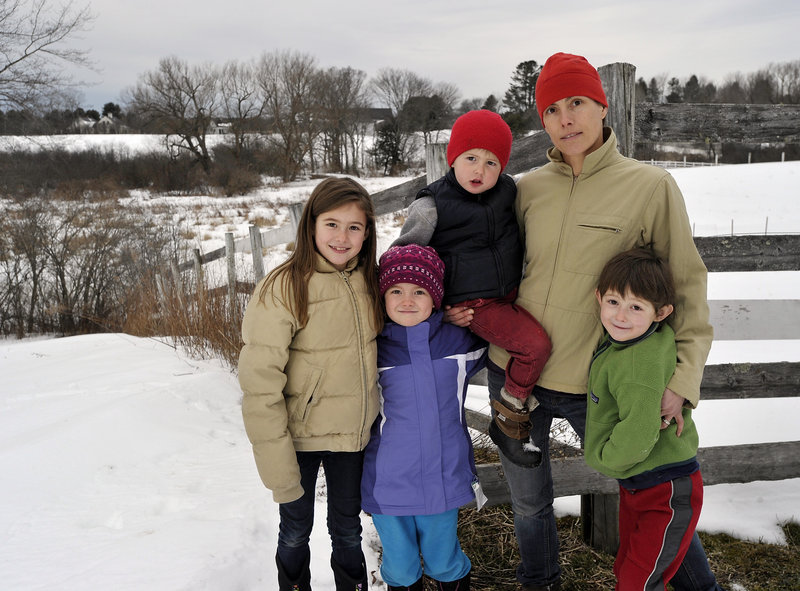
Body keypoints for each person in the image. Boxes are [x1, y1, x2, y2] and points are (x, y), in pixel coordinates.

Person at [447, 53, 723, 591]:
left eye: (577, 103)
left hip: (593, 382)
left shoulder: (649, 187)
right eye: (551, 108)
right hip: (517, 378)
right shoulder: (527, 189)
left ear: (602, 106)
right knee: (529, 503)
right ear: (542, 120)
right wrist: (460, 304)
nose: (566, 118)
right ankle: (540, 582)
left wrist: (683, 379)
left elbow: (686, 289)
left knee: (651, 487)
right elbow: (486, 258)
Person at [238, 177, 384, 591]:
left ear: (367, 232)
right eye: (332, 224)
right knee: (295, 530)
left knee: (348, 531)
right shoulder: (284, 286)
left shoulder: (371, 282)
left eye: (354, 227)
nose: (342, 237)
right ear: (311, 226)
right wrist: (278, 470)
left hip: (352, 437)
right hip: (298, 439)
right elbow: (259, 383)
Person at [393, 109, 551, 467]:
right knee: (535, 346)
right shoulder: (433, 204)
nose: (480, 171)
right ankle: (509, 422)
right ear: (454, 158)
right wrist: (437, 312)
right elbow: (403, 265)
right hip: (477, 304)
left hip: (511, 294)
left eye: (492, 162)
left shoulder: (509, 191)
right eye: (471, 158)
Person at [360, 244, 487, 591]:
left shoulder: (460, 342)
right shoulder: (372, 348)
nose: (407, 300)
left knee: (443, 559)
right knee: (399, 567)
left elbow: (503, 346)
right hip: (388, 478)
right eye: (396, 291)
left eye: (419, 291)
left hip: (441, 475)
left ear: (435, 298)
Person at [587, 248, 704, 590]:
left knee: (639, 580)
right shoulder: (638, 339)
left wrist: (606, 458)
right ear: (598, 297)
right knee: (629, 568)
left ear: (661, 312)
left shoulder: (638, 365)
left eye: (635, 307)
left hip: (664, 490)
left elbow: (638, 433)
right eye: (613, 302)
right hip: (642, 483)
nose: (620, 316)